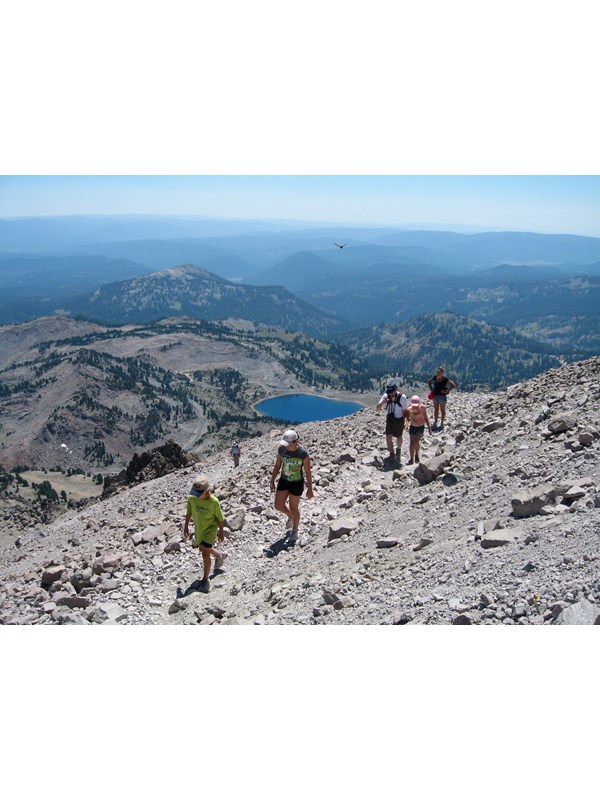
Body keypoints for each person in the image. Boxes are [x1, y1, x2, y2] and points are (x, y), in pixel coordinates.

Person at [269, 428, 313, 545]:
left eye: (288, 444)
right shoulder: (282, 449)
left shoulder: (303, 454)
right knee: (278, 506)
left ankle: (295, 530)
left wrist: (310, 488)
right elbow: (278, 464)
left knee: (294, 508)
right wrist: (272, 480)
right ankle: (290, 516)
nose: (286, 446)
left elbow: (308, 471)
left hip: (297, 483)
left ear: (295, 442)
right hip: (284, 480)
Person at [183, 473, 226, 591]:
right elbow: (189, 512)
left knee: (204, 553)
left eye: (198, 494)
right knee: (202, 548)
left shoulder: (213, 502)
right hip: (199, 528)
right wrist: (186, 526)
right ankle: (219, 555)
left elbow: (220, 518)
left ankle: (205, 579)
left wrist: (221, 532)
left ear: (207, 491)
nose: (195, 496)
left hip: (210, 529)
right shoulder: (192, 499)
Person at [375, 380, 408, 464]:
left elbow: (405, 411)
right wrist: (383, 402)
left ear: (395, 390)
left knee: (399, 437)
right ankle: (392, 454)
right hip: (390, 418)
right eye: (389, 392)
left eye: (392, 392)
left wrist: (406, 421)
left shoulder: (402, 397)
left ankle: (398, 452)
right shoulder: (386, 396)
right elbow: (377, 408)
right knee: (388, 437)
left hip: (399, 419)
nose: (391, 394)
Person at [428, 366, 456, 431]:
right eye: (437, 372)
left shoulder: (445, 379)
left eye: (439, 372)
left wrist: (447, 391)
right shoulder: (435, 378)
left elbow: (453, 385)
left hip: (442, 396)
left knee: (442, 410)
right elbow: (429, 381)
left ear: (442, 373)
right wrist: (431, 389)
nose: (438, 373)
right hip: (435, 395)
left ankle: (442, 423)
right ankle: (435, 422)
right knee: (436, 409)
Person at [406, 395, 432, 465]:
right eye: (413, 405)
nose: (415, 407)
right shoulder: (409, 409)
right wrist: (406, 424)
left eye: (416, 405)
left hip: (420, 427)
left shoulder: (423, 408)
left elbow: (426, 417)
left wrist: (429, 428)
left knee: (416, 441)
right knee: (412, 443)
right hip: (413, 427)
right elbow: (407, 418)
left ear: (419, 403)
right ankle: (411, 459)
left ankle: (416, 454)